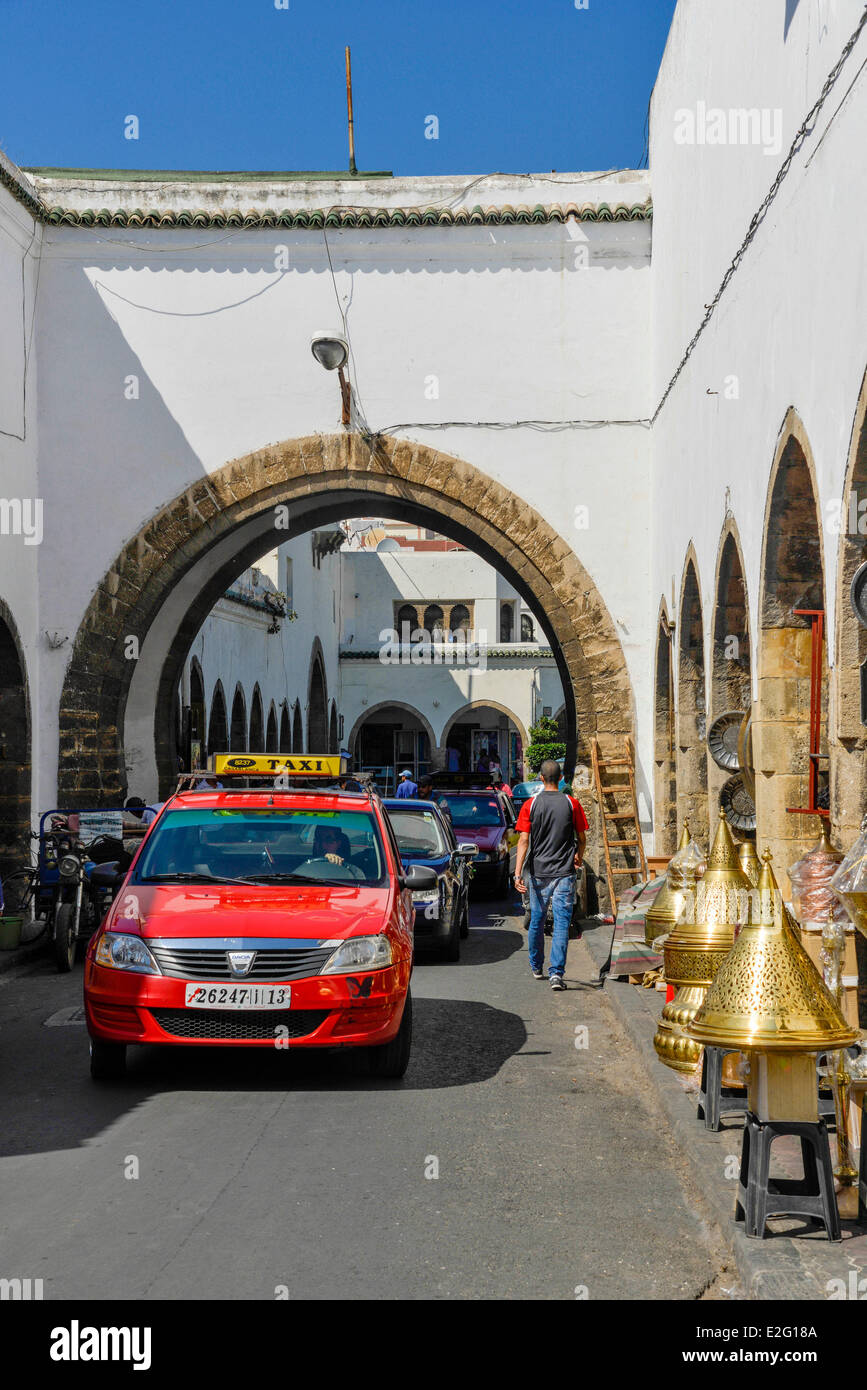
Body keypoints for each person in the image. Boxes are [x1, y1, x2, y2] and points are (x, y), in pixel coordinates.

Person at [514, 759, 588, 990]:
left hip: (538, 872)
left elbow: (524, 840)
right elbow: (582, 837)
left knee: (536, 918)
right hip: (564, 872)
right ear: (561, 778)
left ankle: (536, 966)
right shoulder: (571, 803)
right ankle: (557, 974)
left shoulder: (531, 804)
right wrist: (579, 855)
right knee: (561, 922)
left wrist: (517, 874)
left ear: (542, 778)